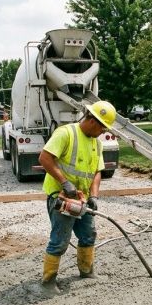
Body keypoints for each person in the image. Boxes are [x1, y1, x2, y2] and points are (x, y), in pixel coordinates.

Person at [38, 100, 116, 292]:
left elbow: (97, 171)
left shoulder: (96, 143)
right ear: (92, 121)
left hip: (83, 199)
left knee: (88, 235)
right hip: (62, 198)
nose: (104, 132)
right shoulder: (66, 133)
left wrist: (94, 196)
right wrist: (65, 183)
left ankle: (87, 271)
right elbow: (44, 158)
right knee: (60, 241)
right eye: (103, 128)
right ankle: (48, 281)